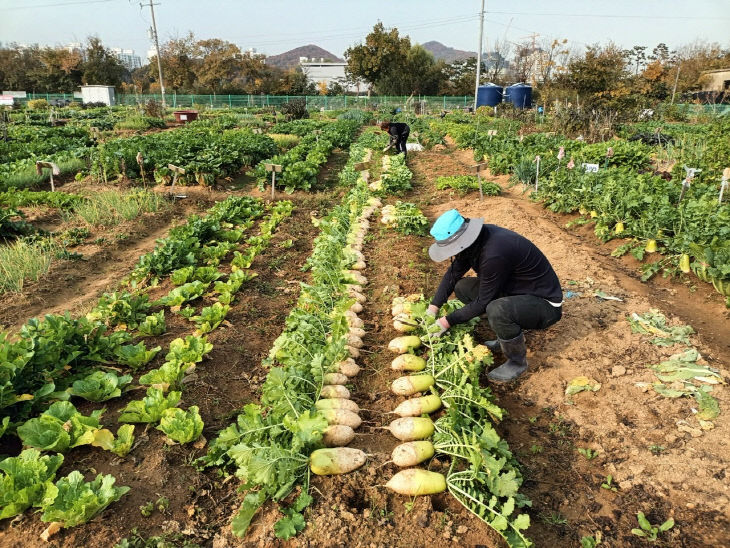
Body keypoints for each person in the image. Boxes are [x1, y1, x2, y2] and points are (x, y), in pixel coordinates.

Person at [426, 209, 563, 382]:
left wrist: (445, 322)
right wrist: (434, 306)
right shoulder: (474, 242)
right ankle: (504, 336)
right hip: (516, 292)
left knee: (496, 309)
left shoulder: (494, 253)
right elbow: (453, 274)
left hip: (544, 305)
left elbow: (483, 301)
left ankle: (516, 362)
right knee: (463, 287)